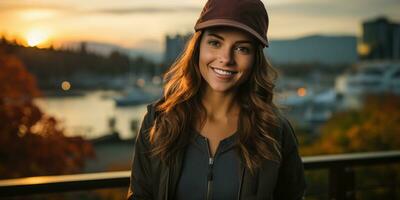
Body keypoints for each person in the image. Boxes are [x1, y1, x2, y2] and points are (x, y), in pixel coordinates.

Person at [127, 0, 306, 199]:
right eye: (215, 43)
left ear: (255, 58)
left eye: (242, 48)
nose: (226, 58)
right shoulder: (158, 122)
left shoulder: (274, 132)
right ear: (198, 47)